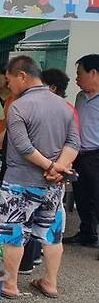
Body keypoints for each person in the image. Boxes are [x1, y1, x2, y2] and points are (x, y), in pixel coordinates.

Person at [0, 56, 79, 300]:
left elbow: (23, 146)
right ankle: (50, 283)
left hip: (20, 183)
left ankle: (11, 284)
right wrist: (59, 168)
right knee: (52, 233)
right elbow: (74, 143)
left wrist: (51, 165)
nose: (8, 85)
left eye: (10, 80)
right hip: (54, 186)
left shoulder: (19, 107)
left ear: (22, 76)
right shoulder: (65, 106)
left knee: (13, 233)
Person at [64, 54, 99, 248]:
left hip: (96, 154)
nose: (76, 79)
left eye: (79, 74)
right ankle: (87, 234)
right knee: (82, 195)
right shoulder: (80, 96)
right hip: (79, 154)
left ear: (93, 73)